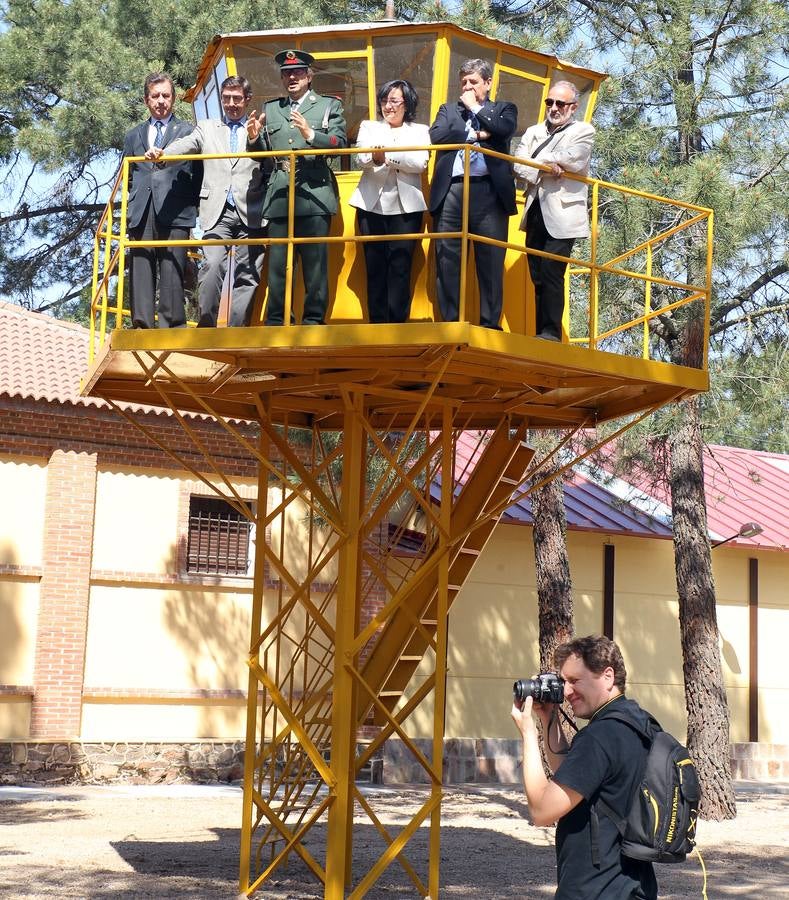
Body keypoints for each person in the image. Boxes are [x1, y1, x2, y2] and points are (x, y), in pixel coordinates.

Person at [510, 635, 658, 900]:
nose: (566, 691)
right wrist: (548, 719)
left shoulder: (599, 737)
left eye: (575, 681)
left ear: (608, 676)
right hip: (633, 885)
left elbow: (542, 811)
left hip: (595, 890)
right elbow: (575, 776)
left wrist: (528, 735)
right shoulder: (636, 722)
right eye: (563, 682)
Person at [146, 75, 269, 328]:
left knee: (249, 275)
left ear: (247, 100)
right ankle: (207, 326)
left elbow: (270, 163)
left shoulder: (258, 129)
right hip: (217, 212)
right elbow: (186, 144)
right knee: (212, 266)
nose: (231, 104)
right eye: (226, 99)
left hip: (252, 210)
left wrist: (256, 138)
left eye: (237, 99)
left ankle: (236, 331)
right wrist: (163, 154)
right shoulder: (207, 127)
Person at [428, 59, 517, 329]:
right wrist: (478, 134)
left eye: (473, 82)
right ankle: (450, 321)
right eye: (464, 82)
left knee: (490, 262)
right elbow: (437, 136)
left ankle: (490, 324)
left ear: (488, 84)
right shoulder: (447, 109)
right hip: (451, 189)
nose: (467, 87)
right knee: (448, 260)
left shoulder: (503, 108)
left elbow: (504, 131)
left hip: (489, 192)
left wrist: (475, 108)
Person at [261, 49, 347, 325]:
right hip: (280, 193)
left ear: (309, 76)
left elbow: (339, 144)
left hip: (314, 191)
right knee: (278, 266)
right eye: (286, 73)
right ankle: (277, 320)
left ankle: (313, 320)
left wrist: (311, 135)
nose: (291, 77)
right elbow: (263, 150)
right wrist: (253, 139)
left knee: (315, 265)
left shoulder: (328, 106)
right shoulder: (272, 108)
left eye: (297, 72)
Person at [513, 81, 595, 341]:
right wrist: (550, 165)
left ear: (573, 107)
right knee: (536, 272)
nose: (554, 108)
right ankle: (541, 331)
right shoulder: (533, 131)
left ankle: (551, 332)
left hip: (564, 213)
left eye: (560, 103)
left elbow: (576, 158)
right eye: (550, 102)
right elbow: (518, 164)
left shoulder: (583, 130)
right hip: (535, 208)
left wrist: (542, 162)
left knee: (552, 271)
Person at [123, 73, 201, 329]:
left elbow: (197, 173)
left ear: (174, 99)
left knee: (172, 267)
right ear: (146, 100)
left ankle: (172, 325)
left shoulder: (188, 132)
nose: (160, 101)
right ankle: (142, 325)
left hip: (176, 209)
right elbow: (129, 177)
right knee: (141, 266)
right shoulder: (133, 135)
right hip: (142, 210)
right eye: (155, 96)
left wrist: (193, 208)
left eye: (166, 96)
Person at [348, 80, 430, 324]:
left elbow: (419, 164)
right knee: (374, 268)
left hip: (406, 209)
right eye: (384, 100)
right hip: (371, 206)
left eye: (394, 101)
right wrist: (379, 157)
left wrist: (387, 156)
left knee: (401, 268)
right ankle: (377, 324)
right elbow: (361, 158)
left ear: (408, 103)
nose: (388, 106)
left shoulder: (420, 130)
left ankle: (397, 324)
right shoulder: (369, 126)